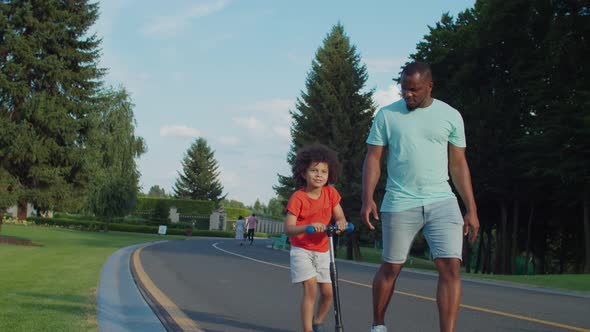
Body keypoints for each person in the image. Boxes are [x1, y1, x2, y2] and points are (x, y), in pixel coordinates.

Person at [361, 62, 480, 332]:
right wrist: (368, 197)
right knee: (391, 267)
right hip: (400, 201)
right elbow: (374, 158)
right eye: (404, 89)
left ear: (429, 86)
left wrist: (470, 208)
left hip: (442, 199)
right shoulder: (387, 116)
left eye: (414, 90)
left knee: (450, 266)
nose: (408, 95)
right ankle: (378, 325)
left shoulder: (450, 115)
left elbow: (459, 165)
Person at [284, 143, 348, 332]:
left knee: (328, 293)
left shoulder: (331, 193)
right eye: (314, 170)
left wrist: (341, 223)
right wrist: (308, 227)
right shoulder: (298, 198)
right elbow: (289, 228)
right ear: (304, 173)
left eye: (324, 171)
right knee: (311, 288)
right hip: (302, 250)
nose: (319, 175)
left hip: (323, 250)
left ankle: (317, 321)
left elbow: (340, 216)